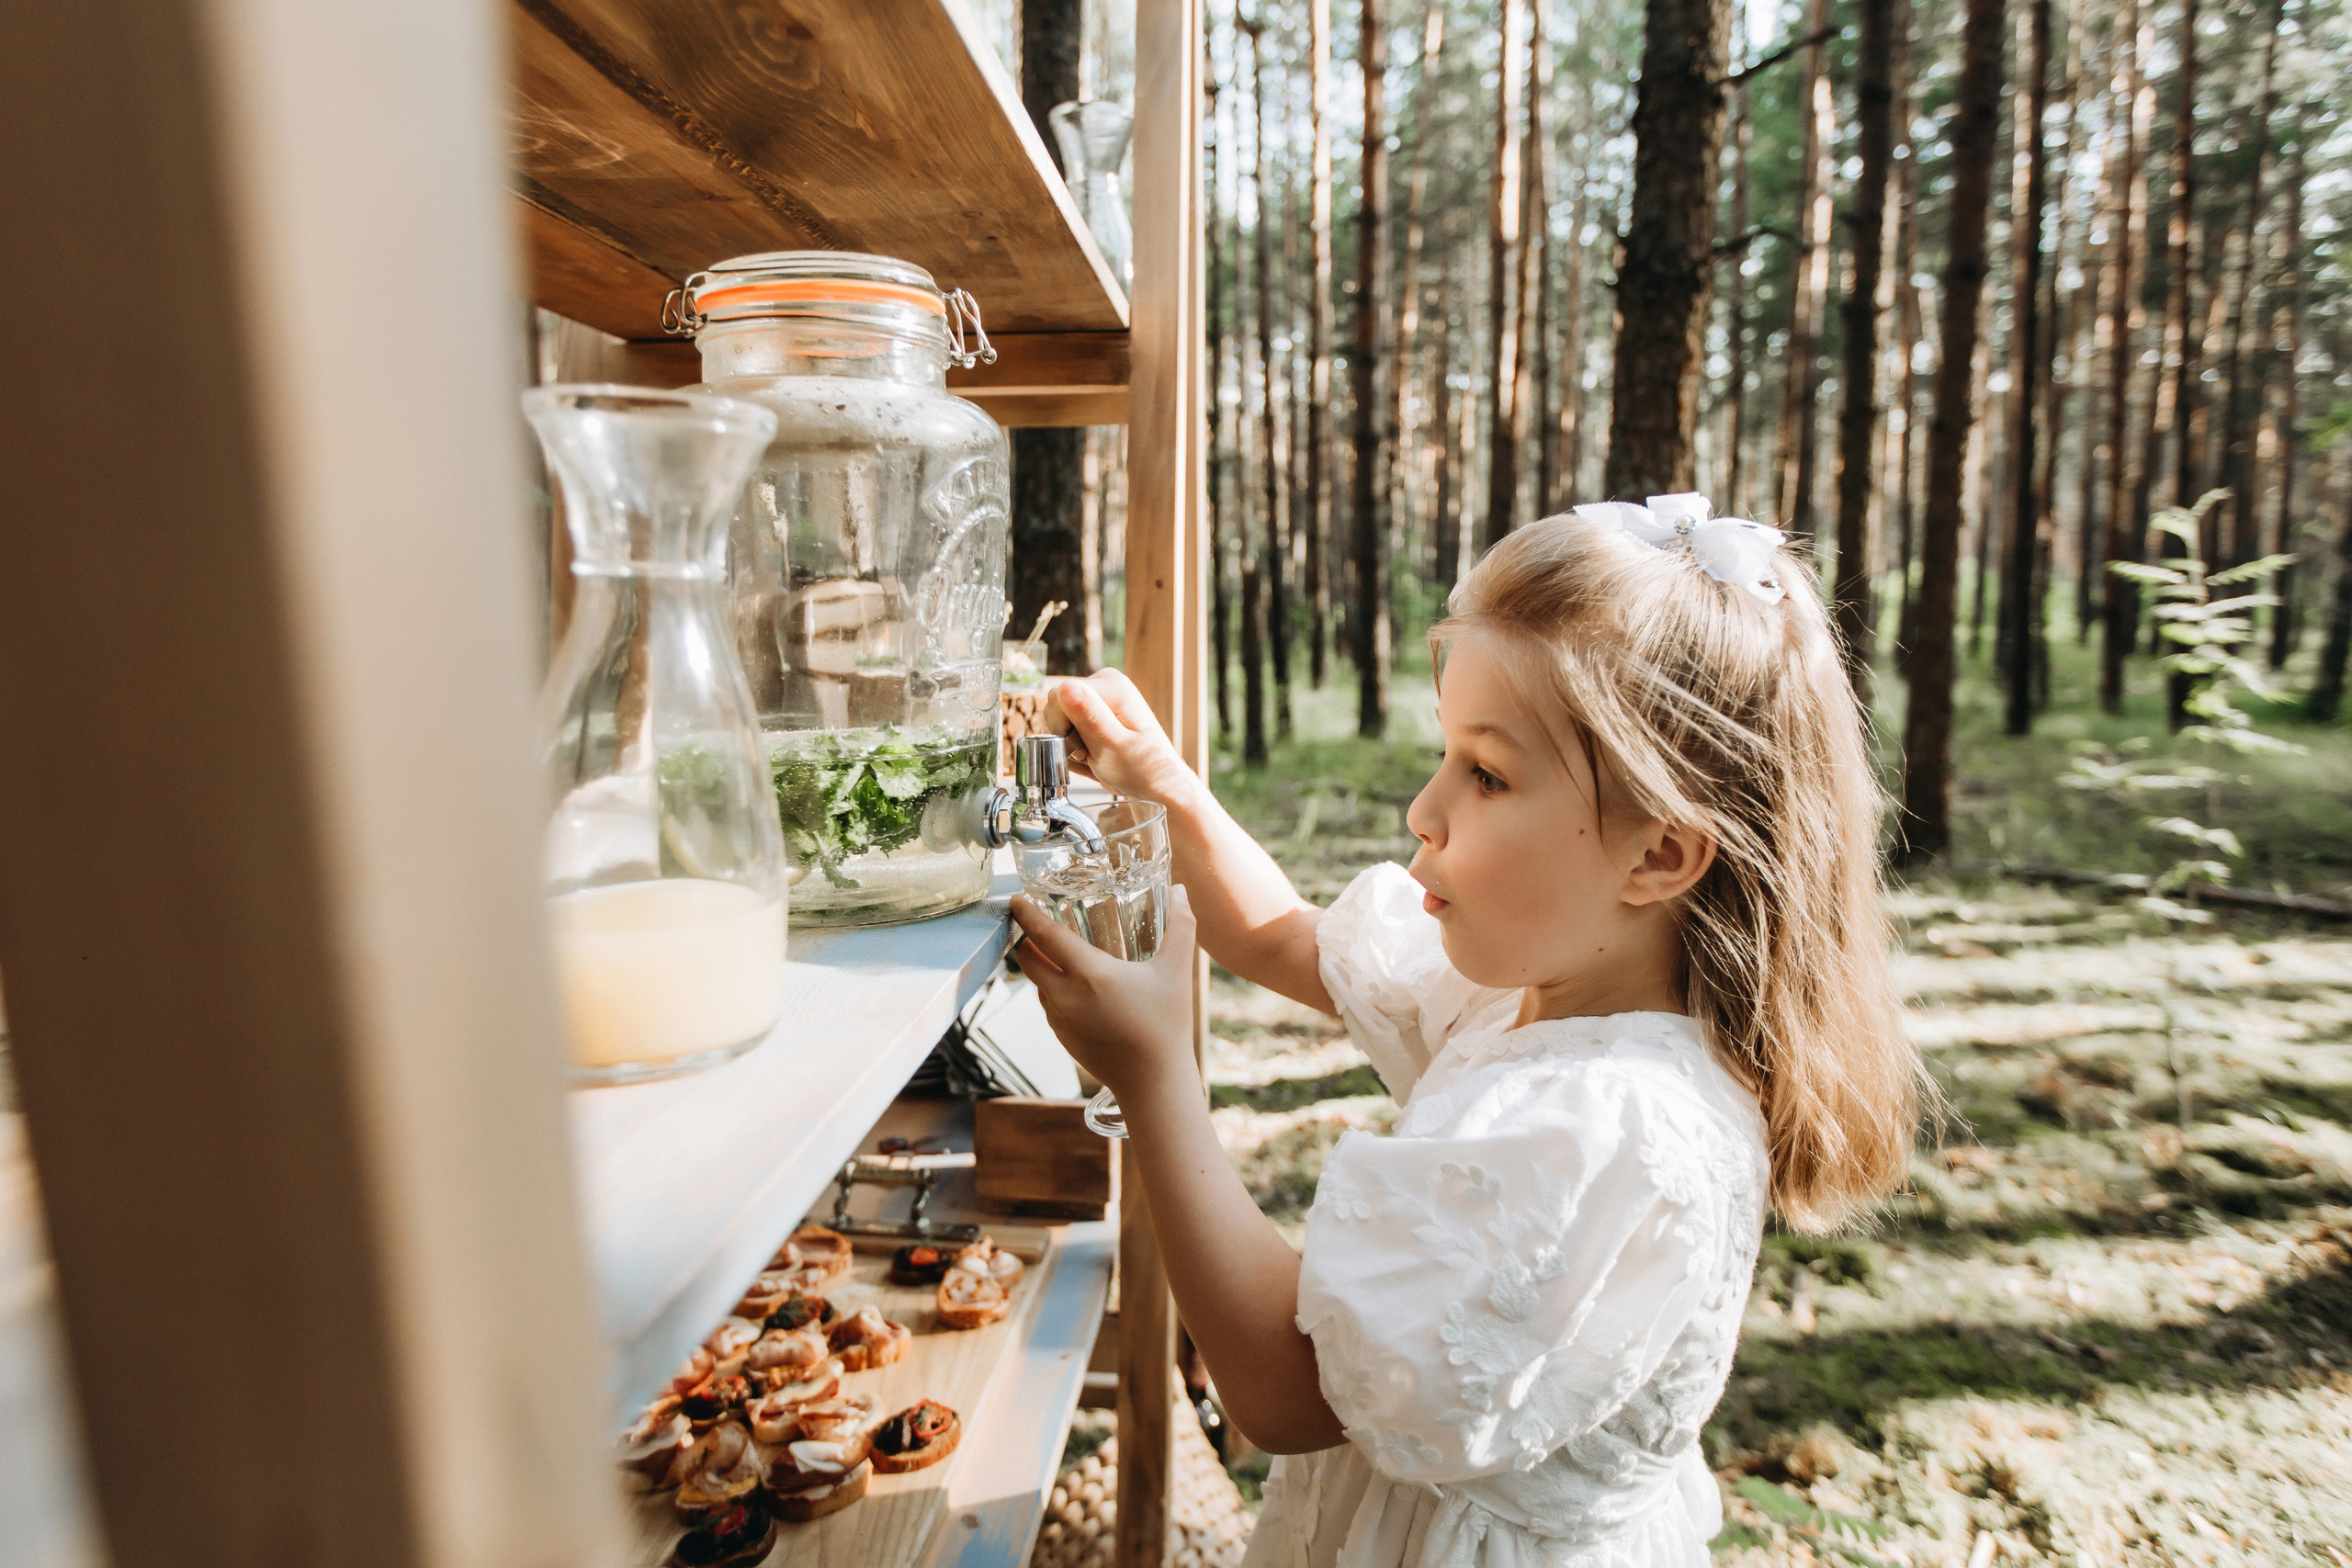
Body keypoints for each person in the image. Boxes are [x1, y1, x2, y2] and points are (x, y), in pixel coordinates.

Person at [1012, 494, 1921, 1568]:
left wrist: (1157, 1075)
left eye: (1485, 774)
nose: (1423, 809)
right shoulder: (1538, 991)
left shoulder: (1609, 1126)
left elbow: (1285, 1393)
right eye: (1448, 755)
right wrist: (1165, 790)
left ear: (1658, 857)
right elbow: (1286, 941)